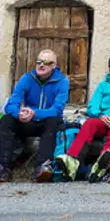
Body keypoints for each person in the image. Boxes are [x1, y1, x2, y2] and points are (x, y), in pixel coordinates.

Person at [55, 52, 110, 182]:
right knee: (90, 124)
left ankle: (101, 166)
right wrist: (101, 116)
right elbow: (92, 107)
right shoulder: (103, 85)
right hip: (104, 120)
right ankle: (72, 161)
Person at [0, 49, 69, 182]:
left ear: (54, 66)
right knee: (7, 119)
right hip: (27, 121)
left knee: (53, 121)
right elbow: (11, 104)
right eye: (38, 61)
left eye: (46, 62)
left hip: (45, 123)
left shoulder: (62, 81)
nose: (41, 65)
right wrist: (18, 113)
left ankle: (43, 166)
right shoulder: (27, 78)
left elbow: (57, 109)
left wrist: (35, 113)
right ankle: (3, 167)